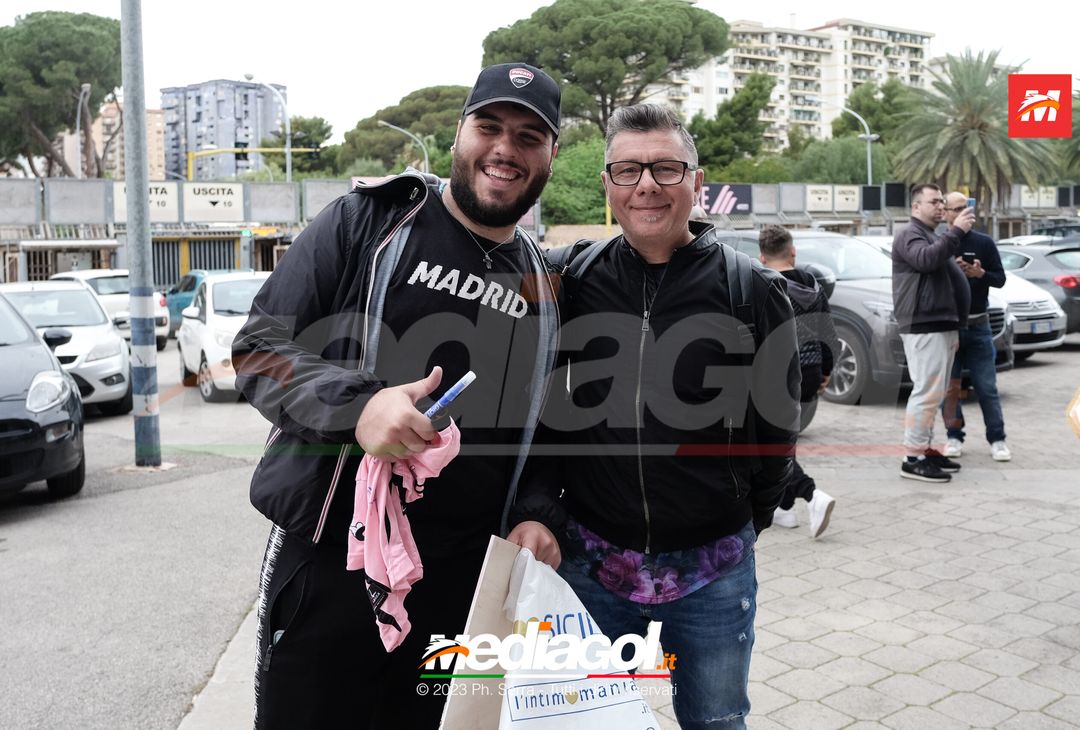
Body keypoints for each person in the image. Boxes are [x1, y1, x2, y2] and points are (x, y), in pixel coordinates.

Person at [232, 62, 562, 729]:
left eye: (530, 136)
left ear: (551, 155)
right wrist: (359, 407)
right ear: (458, 134)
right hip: (334, 567)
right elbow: (258, 350)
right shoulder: (367, 221)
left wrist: (536, 512)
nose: (506, 148)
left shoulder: (543, 282)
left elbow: (546, 424)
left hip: (465, 584)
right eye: (489, 127)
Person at [507, 104, 800, 729]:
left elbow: (777, 431)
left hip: (714, 570)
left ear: (697, 183)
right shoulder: (571, 281)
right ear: (608, 186)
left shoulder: (754, 291)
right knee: (585, 723)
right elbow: (542, 417)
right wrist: (538, 508)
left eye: (667, 169)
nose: (647, 184)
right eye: (628, 170)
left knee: (717, 721)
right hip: (591, 565)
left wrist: (746, 517)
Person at [757, 225, 838, 538]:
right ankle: (785, 509)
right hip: (811, 373)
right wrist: (826, 370)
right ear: (792, 251)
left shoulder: (764, 286)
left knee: (771, 447)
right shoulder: (814, 288)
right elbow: (828, 333)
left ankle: (812, 494)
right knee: (785, 442)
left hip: (777, 378)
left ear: (762, 257)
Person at [892, 183, 975, 483]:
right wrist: (956, 233)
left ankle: (924, 449)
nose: (940, 206)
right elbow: (925, 260)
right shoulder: (909, 233)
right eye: (934, 202)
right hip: (923, 325)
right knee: (927, 392)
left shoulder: (931, 235)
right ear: (916, 207)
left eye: (943, 202)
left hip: (940, 325)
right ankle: (912, 458)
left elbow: (935, 261)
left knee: (935, 393)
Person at [939, 192, 1011, 462]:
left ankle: (998, 439)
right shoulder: (941, 244)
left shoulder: (984, 243)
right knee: (949, 388)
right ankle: (954, 437)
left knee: (987, 387)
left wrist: (980, 274)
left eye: (964, 208)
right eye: (953, 209)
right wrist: (952, 271)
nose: (959, 213)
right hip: (948, 327)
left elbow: (1001, 279)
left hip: (979, 324)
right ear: (945, 212)